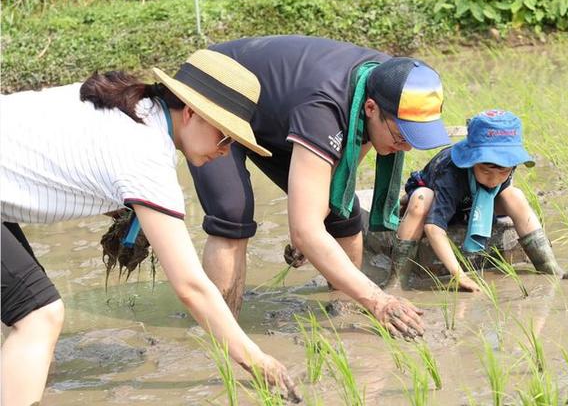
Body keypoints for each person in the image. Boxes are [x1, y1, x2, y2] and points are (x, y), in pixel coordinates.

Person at [0, 50, 300, 405]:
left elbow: (64, 162)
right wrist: (254, 358)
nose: (226, 150)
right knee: (39, 316)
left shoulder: (134, 106)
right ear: (191, 113)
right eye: (225, 137)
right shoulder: (146, 155)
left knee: (18, 311)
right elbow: (191, 287)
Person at [186, 35, 452, 339]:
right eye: (401, 136)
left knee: (342, 213)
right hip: (217, 88)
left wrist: (309, 231)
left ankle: (344, 316)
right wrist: (378, 299)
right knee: (232, 213)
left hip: (278, 110)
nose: (404, 148)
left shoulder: (387, 80)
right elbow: (307, 229)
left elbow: (339, 178)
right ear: (370, 108)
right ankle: (221, 333)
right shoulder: (325, 109)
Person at [388, 109, 565, 291]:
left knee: (515, 196)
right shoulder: (451, 174)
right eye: (486, 171)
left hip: (473, 202)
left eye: (503, 172)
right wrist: (459, 275)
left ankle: (549, 267)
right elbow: (433, 228)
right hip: (440, 197)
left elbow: (504, 187)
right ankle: (396, 281)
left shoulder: (507, 168)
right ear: (471, 161)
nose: (494, 179)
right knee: (420, 199)